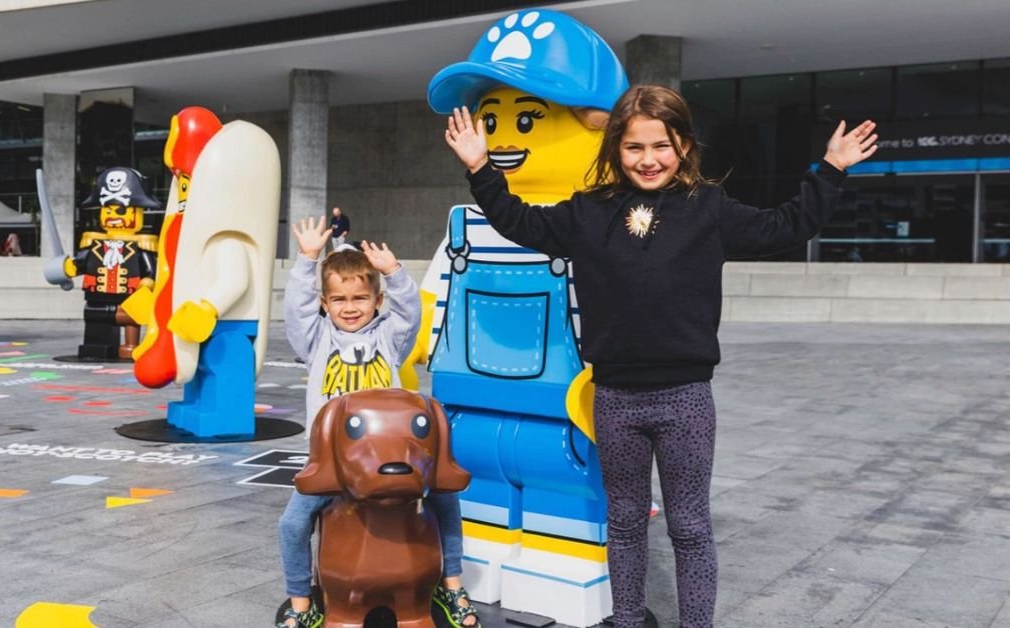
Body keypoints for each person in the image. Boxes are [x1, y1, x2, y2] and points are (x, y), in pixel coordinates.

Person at [444, 84, 877, 628]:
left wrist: (831, 170)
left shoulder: (710, 209)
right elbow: (520, 222)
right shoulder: (587, 212)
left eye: (662, 146)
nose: (648, 159)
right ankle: (627, 618)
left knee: (690, 526)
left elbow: (787, 226)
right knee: (624, 521)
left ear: (685, 146)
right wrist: (481, 167)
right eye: (633, 147)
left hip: (686, 400)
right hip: (615, 398)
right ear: (615, 150)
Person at [277, 216, 479, 628]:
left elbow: (411, 313)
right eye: (339, 300)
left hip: (389, 456)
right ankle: (301, 600)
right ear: (324, 302)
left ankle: (451, 582)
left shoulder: (389, 339)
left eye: (359, 299)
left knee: (446, 500)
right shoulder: (317, 342)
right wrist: (306, 259)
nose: (349, 308)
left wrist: (395, 274)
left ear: (376, 300)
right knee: (293, 522)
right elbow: (297, 314)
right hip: (332, 461)